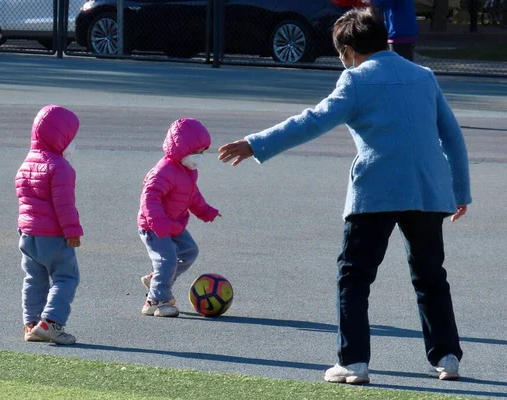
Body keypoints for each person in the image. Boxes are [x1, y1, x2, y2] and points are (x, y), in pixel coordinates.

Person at [218, 8, 471, 384]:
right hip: (427, 189)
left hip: (377, 190)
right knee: (431, 276)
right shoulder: (423, 76)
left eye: (341, 54)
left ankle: (353, 363)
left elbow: (312, 121)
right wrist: (460, 190)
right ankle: (447, 358)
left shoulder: (354, 80)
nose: (342, 61)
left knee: (354, 277)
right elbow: (452, 135)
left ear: (350, 50)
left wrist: (256, 144)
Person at [138, 118, 220, 318]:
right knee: (167, 260)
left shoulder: (188, 172)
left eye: (202, 152)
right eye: (196, 153)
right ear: (181, 150)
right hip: (154, 226)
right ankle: (157, 301)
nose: (199, 157)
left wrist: (206, 211)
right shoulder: (163, 172)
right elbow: (150, 197)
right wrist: (157, 222)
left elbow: (192, 196)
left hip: (174, 223)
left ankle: (157, 280)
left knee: (190, 251)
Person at [15, 105, 83, 345]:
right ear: (61, 138)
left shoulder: (27, 162)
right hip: (53, 235)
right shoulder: (60, 167)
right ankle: (52, 323)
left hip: (27, 234)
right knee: (66, 278)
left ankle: (31, 323)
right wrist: (72, 231)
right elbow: (64, 205)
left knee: (34, 279)